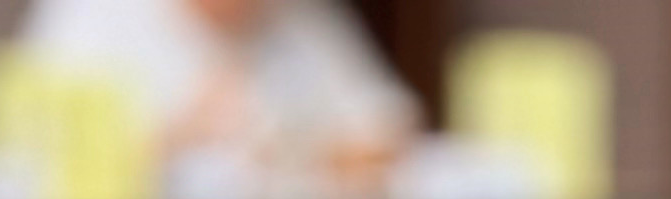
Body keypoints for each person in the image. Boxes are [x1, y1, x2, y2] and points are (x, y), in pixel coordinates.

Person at [21, 0, 418, 176]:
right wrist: (177, 139)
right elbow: (32, 162)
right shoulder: (91, 14)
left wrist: (297, 151)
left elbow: (390, 128)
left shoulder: (300, 15)